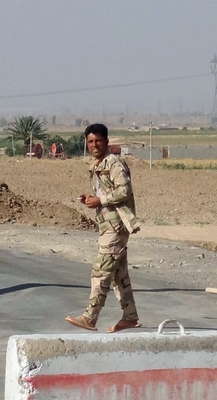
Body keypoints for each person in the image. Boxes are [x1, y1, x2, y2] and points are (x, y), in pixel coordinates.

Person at [66, 123, 142, 333]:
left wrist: (99, 200)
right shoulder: (97, 165)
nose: (94, 145)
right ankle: (130, 316)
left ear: (107, 142)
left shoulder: (114, 163)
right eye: (90, 141)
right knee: (119, 275)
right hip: (106, 225)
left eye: (98, 140)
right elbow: (106, 195)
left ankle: (90, 317)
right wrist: (91, 200)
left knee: (100, 272)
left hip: (116, 227)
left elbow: (124, 191)